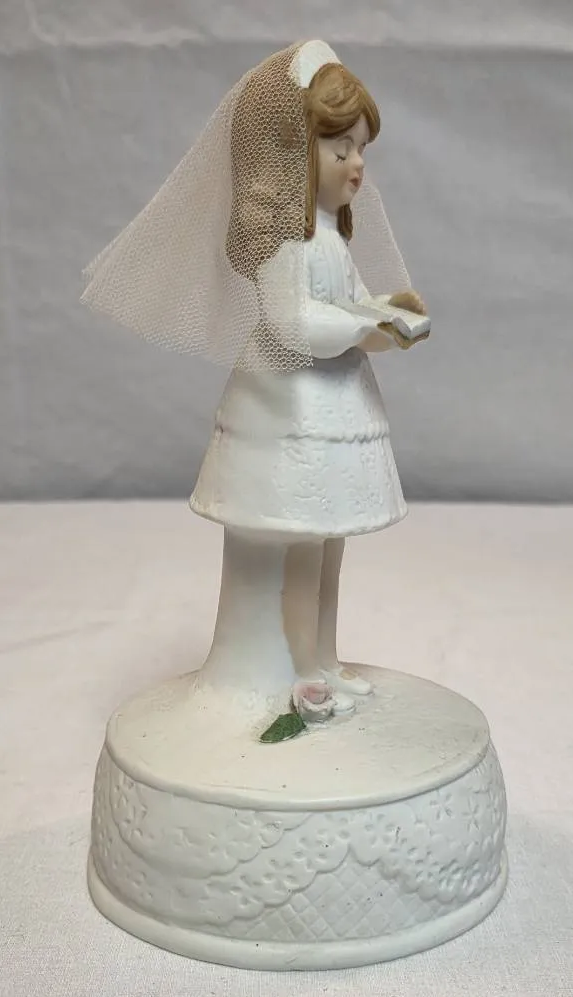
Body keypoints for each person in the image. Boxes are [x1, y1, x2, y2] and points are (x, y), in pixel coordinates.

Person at [82, 41, 428, 726]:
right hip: (290, 409)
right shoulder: (286, 242)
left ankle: (325, 657)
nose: (357, 164)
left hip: (334, 409)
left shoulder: (331, 237)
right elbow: (295, 324)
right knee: (302, 546)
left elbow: (347, 303)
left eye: (362, 149)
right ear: (293, 153)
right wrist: (367, 325)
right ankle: (301, 669)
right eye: (340, 148)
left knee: (329, 547)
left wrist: (385, 314)